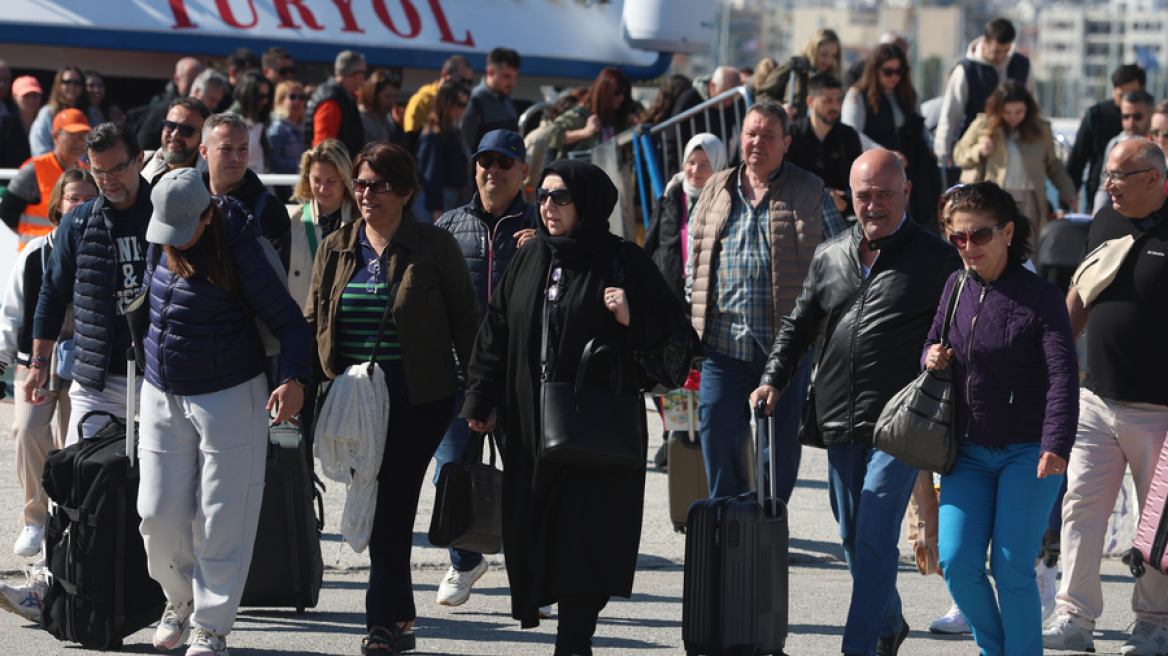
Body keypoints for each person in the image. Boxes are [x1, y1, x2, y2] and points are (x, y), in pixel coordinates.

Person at [460, 158, 687, 655]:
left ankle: (574, 639)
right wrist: (479, 396)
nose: (547, 206)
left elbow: (678, 331)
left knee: (585, 540)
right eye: (542, 195)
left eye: (560, 197)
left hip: (594, 430)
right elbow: (495, 330)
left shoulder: (622, 259)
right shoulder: (529, 257)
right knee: (536, 530)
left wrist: (630, 317)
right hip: (527, 429)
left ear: (586, 204)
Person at [749, 150, 962, 656]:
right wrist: (773, 379)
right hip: (839, 418)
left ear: (907, 193)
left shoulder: (935, 259)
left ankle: (858, 646)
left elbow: (961, 328)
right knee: (850, 537)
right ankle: (889, 622)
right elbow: (799, 325)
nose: (874, 205)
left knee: (871, 537)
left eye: (885, 195)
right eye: (864, 195)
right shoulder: (831, 254)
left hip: (901, 424)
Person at [305, 141, 479, 655]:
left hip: (420, 398)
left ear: (405, 191)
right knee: (381, 501)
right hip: (355, 400)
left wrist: (481, 397)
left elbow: (466, 323)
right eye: (359, 184)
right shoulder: (336, 246)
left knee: (391, 502)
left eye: (378, 185)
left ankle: (380, 622)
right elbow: (315, 320)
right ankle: (401, 618)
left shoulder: (434, 246)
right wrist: (300, 384)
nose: (365, 194)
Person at [136, 167, 310, 656]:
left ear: (208, 216)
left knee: (223, 515)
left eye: (182, 230)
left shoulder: (242, 247)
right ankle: (179, 598)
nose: (171, 241)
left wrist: (293, 379)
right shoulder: (163, 236)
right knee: (155, 513)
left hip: (231, 391)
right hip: (161, 390)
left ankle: (211, 626)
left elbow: (290, 321)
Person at [921, 182, 1078, 656]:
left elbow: (1063, 377)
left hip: (1029, 451)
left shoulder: (1043, 297)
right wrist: (930, 354)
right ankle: (999, 649)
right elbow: (931, 339)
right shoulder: (955, 286)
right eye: (958, 238)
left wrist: (1056, 444)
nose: (969, 248)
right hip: (966, 450)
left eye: (981, 235)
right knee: (957, 562)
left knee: (1011, 568)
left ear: (1008, 232)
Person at [1043, 138, 1168, 656]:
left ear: (1154, 179)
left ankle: (1153, 625)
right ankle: (1074, 616)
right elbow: (1081, 294)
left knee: (1157, 525)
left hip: (1160, 412)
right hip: (1096, 400)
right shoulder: (1105, 220)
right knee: (1080, 510)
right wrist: (1052, 359)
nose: (1107, 184)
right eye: (1107, 175)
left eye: (1119, 176)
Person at [688, 101, 823, 505]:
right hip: (723, 344)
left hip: (784, 348)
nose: (757, 143)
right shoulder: (716, 187)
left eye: (767, 136)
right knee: (716, 428)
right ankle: (727, 523)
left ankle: (767, 523)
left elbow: (837, 262)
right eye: (751, 134)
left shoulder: (809, 190)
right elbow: (695, 257)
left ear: (785, 143)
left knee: (778, 446)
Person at [431, 129, 537, 608]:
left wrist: (547, 249)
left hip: (521, 380)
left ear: (523, 172)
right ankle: (465, 561)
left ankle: (533, 573)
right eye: (484, 162)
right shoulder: (450, 225)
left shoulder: (545, 227)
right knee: (451, 475)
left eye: (504, 162)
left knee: (525, 480)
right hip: (458, 376)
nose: (492, 170)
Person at [25, 121, 150, 440]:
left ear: (140, 159)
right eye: (98, 171)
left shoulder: (168, 213)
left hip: (161, 376)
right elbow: (52, 294)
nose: (108, 180)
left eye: (117, 168)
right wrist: (38, 363)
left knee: (160, 484)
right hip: (98, 378)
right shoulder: (77, 223)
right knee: (84, 479)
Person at [0, 169, 95, 565]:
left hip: (86, 364)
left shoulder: (100, 254)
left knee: (79, 446)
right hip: (35, 363)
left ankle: (71, 524)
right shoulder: (34, 253)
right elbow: (11, 313)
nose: (81, 206)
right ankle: (35, 517)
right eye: (73, 198)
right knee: (28, 430)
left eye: (89, 199)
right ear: (58, 204)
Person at [952, 81, 1078, 247]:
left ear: (1028, 108)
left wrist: (1067, 191)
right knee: (995, 246)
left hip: (1030, 198)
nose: (1013, 117)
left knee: (1028, 248)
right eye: (1007, 112)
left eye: (1019, 112)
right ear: (998, 109)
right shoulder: (984, 124)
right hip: (995, 197)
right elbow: (959, 154)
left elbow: (1053, 166)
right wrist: (979, 151)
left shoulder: (1041, 129)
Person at [842, 44, 943, 230]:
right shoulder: (857, 95)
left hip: (914, 172)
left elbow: (921, 128)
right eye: (888, 71)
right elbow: (850, 133)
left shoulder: (908, 94)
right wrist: (884, 154)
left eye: (900, 71)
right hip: (878, 175)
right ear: (875, 70)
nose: (895, 77)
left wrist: (934, 147)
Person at [934, 18, 1037, 167]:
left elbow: (1033, 106)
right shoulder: (966, 70)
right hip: (976, 152)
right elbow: (951, 115)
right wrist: (942, 157)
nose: (1001, 57)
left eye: (1006, 51)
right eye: (996, 51)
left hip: (1016, 153)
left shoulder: (1022, 65)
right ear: (985, 42)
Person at [199, 112, 291, 270]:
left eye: (243, 148)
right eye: (226, 149)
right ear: (204, 152)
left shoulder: (270, 209)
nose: (236, 157)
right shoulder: (189, 200)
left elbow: (275, 280)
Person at [644, 132, 728, 301]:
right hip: (670, 293)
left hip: (711, 295)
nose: (695, 170)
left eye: (705, 165)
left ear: (717, 166)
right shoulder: (670, 195)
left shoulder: (726, 201)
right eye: (691, 163)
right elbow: (651, 243)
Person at [0, 108, 90, 250]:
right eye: (73, 134)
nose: (80, 140)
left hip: (72, 256)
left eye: (84, 134)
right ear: (55, 137)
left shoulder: (87, 171)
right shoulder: (35, 169)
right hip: (37, 256)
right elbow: (7, 212)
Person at [287, 138, 359, 309]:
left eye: (331, 181)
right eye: (316, 180)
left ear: (344, 179)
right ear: (307, 179)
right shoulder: (291, 220)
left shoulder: (364, 221)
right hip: (303, 324)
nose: (322, 188)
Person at [1066, 64, 1146, 206]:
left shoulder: (1155, 118)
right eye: (1121, 96)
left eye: (1137, 116)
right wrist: (1065, 203)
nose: (1130, 121)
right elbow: (1077, 161)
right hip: (1103, 197)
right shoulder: (1096, 116)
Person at [786, 74, 864, 218]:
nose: (834, 107)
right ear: (810, 102)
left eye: (838, 101)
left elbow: (858, 183)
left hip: (841, 217)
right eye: (827, 101)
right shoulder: (792, 134)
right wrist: (821, 195)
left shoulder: (848, 136)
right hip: (799, 215)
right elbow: (783, 180)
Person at [545, 67, 640, 158]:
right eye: (617, 93)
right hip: (582, 172)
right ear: (604, 92)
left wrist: (633, 126)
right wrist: (584, 132)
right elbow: (552, 134)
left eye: (624, 93)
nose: (621, 98)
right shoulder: (582, 114)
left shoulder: (621, 117)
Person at [665, 66, 742, 175]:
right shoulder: (690, 99)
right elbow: (672, 139)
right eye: (726, 96)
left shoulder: (730, 107)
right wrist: (676, 176)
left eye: (733, 98)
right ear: (712, 86)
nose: (729, 102)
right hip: (689, 173)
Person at [754, 28, 842, 121]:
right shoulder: (794, 67)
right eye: (824, 54)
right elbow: (762, 94)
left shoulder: (832, 78)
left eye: (833, 56)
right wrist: (779, 109)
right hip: (791, 128)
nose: (828, 60)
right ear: (813, 50)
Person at [1091, 89, 1155, 213]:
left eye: (1137, 116)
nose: (1130, 122)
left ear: (1150, 115)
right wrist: (1097, 215)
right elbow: (1104, 186)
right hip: (1120, 216)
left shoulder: (1159, 143)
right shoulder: (1114, 144)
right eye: (1125, 116)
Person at [416, 80, 471, 222]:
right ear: (447, 104)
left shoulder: (453, 130)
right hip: (440, 202)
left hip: (454, 199)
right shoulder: (434, 134)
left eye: (466, 104)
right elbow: (431, 174)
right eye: (460, 104)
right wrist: (437, 210)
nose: (463, 109)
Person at [304, 50, 366, 158]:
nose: (364, 79)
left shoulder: (341, 97)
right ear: (357, 75)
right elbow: (323, 148)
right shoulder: (331, 101)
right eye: (364, 73)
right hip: (332, 172)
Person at [28, 66, 101, 157]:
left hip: (84, 169)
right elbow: (40, 149)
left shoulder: (91, 113)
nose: (72, 86)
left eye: (77, 83)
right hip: (54, 169)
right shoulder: (47, 113)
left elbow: (97, 146)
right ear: (59, 84)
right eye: (67, 82)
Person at [460, 47, 521, 151]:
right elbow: (465, 150)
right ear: (490, 72)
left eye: (515, 77)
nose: (512, 83)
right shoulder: (474, 102)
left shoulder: (507, 100)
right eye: (507, 76)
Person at [141, 97, 210, 185]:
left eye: (186, 131)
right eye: (170, 126)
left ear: (203, 138)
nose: (175, 135)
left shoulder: (211, 182)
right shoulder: (142, 163)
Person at [403, 55, 472, 134]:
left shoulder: (460, 102)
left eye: (469, 82)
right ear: (444, 74)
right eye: (461, 80)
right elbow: (411, 139)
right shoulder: (422, 101)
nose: (464, 86)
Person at [227, 70, 272, 174]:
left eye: (267, 96)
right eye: (261, 96)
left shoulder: (260, 121)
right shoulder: (229, 121)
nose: (265, 101)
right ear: (248, 95)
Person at [844, 32, 910, 90]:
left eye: (898, 71)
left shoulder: (903, 86)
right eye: (888, 71)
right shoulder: (856, 72)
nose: (894, 76)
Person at [267, 80, 306, 176]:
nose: (297, 101)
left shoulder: (304, 127)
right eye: (292, 97)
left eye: (301, 97)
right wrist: (303, 165)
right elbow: (274, 163)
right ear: (280, 101)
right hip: (281, 185)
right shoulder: (276, 128)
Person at [1, 71, 36, 169]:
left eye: (35, 95)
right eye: (26, 95)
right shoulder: (5, 124)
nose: (31, 100)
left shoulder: (43, 123)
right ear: (14, 97)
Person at [359, 70, 402, 147]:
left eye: (394, 97)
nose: (392, 101)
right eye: (388, 96)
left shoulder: (388, 120)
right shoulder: (358, 118)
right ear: (373, 95)